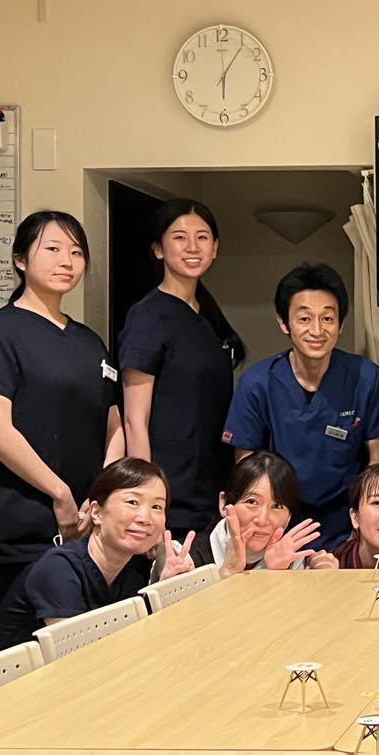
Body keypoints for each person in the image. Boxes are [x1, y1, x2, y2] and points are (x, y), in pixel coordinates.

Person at [0, 211, 123, 618]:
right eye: (52, 249)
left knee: (84, 645)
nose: (66, 261)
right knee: (20, 647)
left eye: (76, 252)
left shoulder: (90, 341)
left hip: (87, 527)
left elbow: (113, 425)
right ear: (20, 259)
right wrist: (60, 493)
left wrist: (100, 497)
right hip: (23, 527)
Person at [222, 263, 379, 550]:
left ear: (340, 324)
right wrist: (263, 529)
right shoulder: (258, 383)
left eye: (327, 318)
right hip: (279, 524)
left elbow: (377, 459)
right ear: (284, 323)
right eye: (304, 318)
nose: (317, 330)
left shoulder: (365, 377)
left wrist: (362, 527)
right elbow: (246, 467)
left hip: (345, 525)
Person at [119, 199, 244, 540]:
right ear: (158, 249)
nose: (192, 247)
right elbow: (134, 419)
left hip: (212, 492)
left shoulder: (209, 316)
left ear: (215, 248)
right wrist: (147, 501)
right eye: (179, 237)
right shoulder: (147, 317)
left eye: (202, 237)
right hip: (171, 497)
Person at [0, 458, 193, 655]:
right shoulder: (59, 569)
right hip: (13, 682)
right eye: (132, 502)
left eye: (157, 507)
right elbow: (80, 656)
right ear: (96, 513)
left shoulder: (134, 568)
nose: (145, 518)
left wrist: (166, 591)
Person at [157, 451, 324, 577]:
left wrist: (277, 574)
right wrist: (227, 572)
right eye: (252, 502)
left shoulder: (293, 559)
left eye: (277, 506)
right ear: (224, 503)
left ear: (289, 516)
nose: (262, 519)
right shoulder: (181, 557)